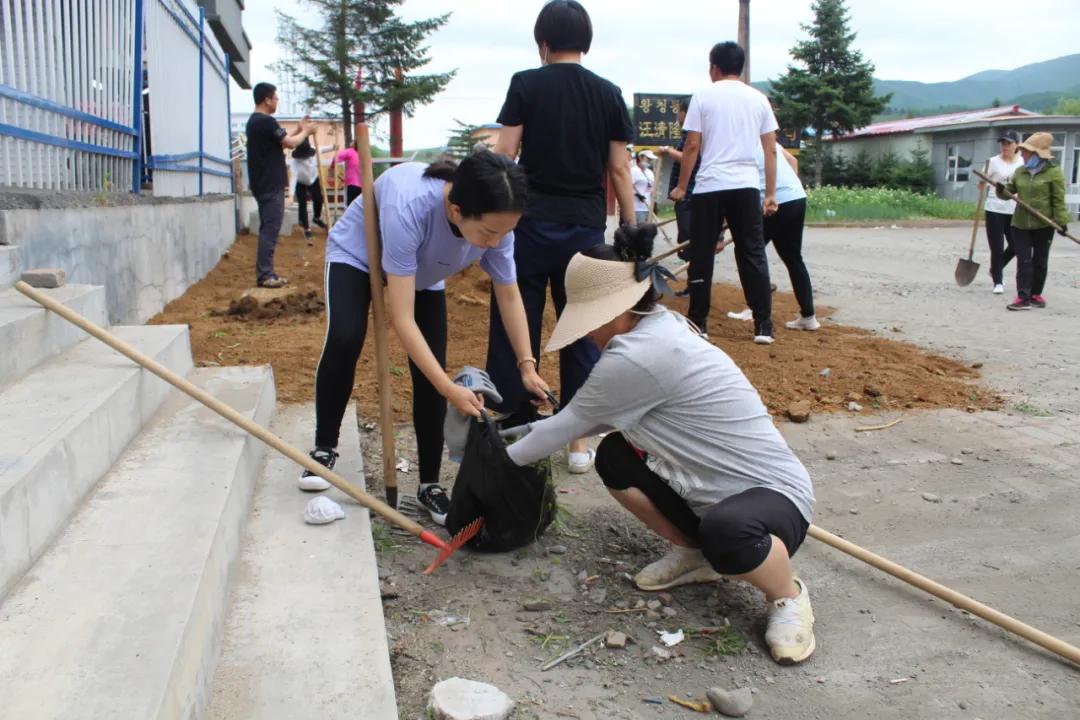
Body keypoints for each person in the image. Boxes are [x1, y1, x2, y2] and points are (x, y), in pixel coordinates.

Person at [505, 226, 817, 665]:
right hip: (707, 490)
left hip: (773, 498)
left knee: (728, 533)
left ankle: (787, 596)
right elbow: (580, 424)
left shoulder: (636, 357)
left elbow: (561, 429)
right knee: (615, 455)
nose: (585, 333)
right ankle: (695, 553)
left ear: (613, 310)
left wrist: (494, 465)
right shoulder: (657, 325)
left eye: (586, 318)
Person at [302, 151, 550, 525]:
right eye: (487, 233)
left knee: (431, 367)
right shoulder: (411, 205)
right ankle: (324, 447)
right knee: (345, 337)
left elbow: (509, 294)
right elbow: (401, 317)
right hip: (359, 255)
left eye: (505, 232)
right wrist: (452, 390)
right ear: (455, 210)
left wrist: (526, 366)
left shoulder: (495, 226)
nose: (494, 243)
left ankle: (429, 484)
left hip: (424, 271)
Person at [486, 0, 636, 474]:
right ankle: (576, 444)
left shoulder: (526, 83)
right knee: (582, 330)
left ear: (543, 43)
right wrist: (629, 226)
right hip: (585, 227)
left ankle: (519, 424)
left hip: (529, 225)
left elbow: (505, 152)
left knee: (518, 320)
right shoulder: (609, 93)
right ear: (585, 42)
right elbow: (618, 168)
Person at [670, 41, 779, 344]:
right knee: (752, 252)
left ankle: (698, 323)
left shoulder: (703, 97)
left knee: (703, 253)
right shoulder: (759, 99)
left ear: (714, 67)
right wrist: (770, 193)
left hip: (710, 186)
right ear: (739, 67)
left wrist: (681, 186)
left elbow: (692, 145)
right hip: (746, 187)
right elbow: (770, 150)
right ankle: (763, 326)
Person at [728, 145, 819, 330]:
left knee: (749, 253)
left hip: (773, 203)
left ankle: (754, 308)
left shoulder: (740, 144)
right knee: (793, 258)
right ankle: (809, 317)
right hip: (796, 196)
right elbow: (793, 161)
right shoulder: (769, 141)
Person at [246, 82, 314, 288]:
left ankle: (267, 272)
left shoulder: (256, 123)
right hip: (269, 183)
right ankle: (265, 274)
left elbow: (282, 139)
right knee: (271, 228)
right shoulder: (265, 121)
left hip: (263, 182)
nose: (276, 102)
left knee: (270, 227)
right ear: (267, 99)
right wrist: (307, 132)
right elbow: (291, 143)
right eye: (275, 98)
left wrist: (299, 130)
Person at [995, 132, 1070, 311]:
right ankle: (1023, 297)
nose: (1023, 154)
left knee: (1040, 261)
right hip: (1020, 223)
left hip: (1044, 224)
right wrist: (1001, 190)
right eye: (1023, 151)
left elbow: (1058, 200)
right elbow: (1008, 193)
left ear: (1037, 154)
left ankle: (1036, 294)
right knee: (1024, 260)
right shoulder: (1020, 171)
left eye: (1027, 152)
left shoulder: (1053, 172)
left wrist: (1061, 222)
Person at [657, 98, 703, 262]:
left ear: (685, 113)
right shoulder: (689, 133)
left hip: (689, 192)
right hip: (689, 192)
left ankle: (695, 280)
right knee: (687, 239)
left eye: (679, 111)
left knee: (688, 239)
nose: (677, 115)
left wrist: (669, 151)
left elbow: (689, 157)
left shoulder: (693, 134)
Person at [981, 130, 1023, 295]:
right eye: (1002, 143)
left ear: (1016, 145)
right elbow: (982, 181)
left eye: (1008, 143)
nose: (1004, 146)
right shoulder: (992, 162)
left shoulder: (1021, 163)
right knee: (996, 247)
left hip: (1014, 210)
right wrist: (981, 184)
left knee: (1015, 245)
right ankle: (998, 281)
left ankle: (995, 268)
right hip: (994, 209)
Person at [289, 138, 328, 243]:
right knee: (303, 204)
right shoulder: (294, 163)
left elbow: (323, 149)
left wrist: (333, 147)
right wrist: (290, 196)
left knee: (318, 199)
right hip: (300, 182)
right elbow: (293, 180)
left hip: (313, 178)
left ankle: (317, 218)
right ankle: (307, 228)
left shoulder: (314, 151)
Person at [631, 150, 656, 224]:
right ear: (640, 157)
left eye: (651, 159)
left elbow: (652, 186)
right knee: (640, 230)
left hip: (648, 207)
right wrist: (637, 194)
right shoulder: (633, 171)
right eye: (648, 159)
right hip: (637, 208)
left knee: (648, 231)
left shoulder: (650, 172)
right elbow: (628, 186)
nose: (650, 161)